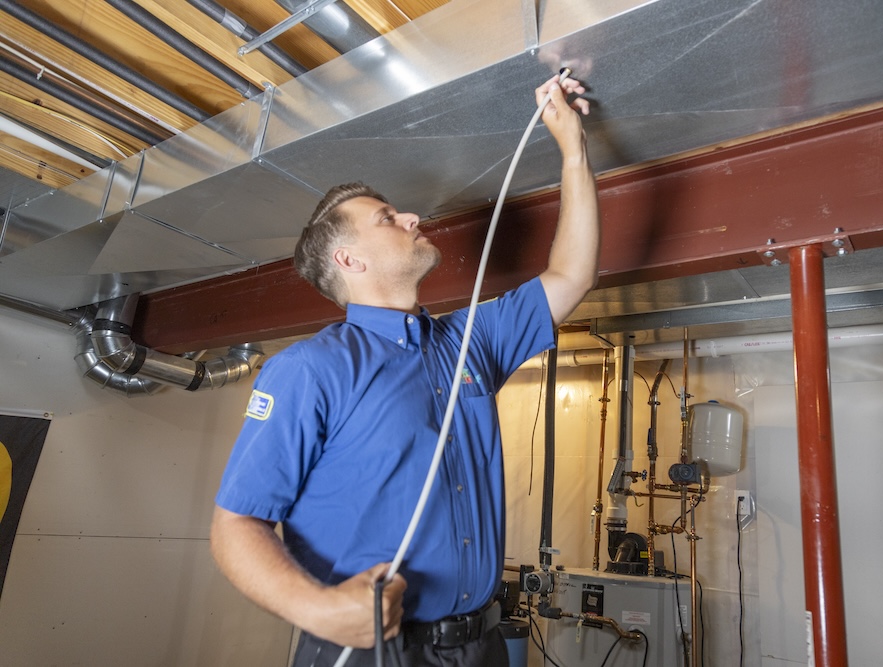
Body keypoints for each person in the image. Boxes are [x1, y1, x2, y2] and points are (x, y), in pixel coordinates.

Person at [210, 73, 599, 667]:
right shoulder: (310, 370)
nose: (413, 217)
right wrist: (316, 610)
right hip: (375, 651)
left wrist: (572, 149)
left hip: (483, 645)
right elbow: (236, 524)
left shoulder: (466, 343)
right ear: (349, 258)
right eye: (388, 217)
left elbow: (571, 276)